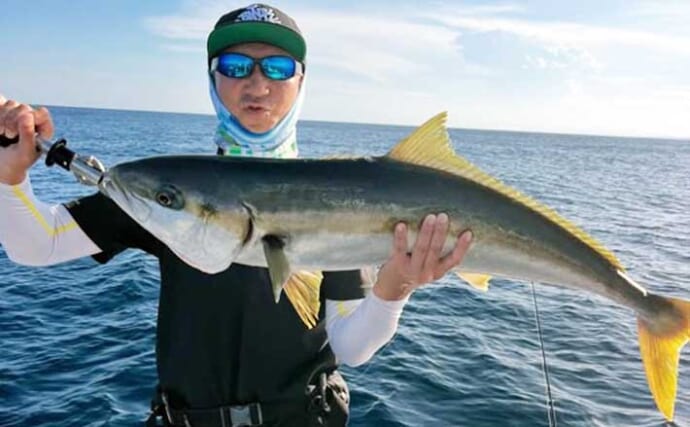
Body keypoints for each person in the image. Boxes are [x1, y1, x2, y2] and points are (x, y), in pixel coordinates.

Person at [0, 4, 472, 426]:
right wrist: (9, 176)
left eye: (278, 67)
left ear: (301, 82)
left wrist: (395, 288)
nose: (257, 84)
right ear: (213, 79)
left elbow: (352, 348)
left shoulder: (338, 197)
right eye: (235, 66)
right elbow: (38, 245)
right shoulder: (171, 195)